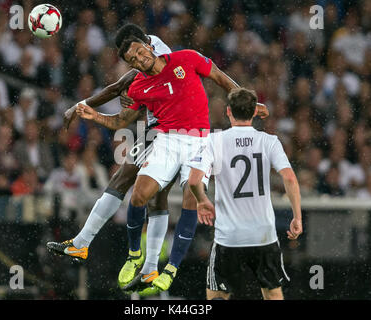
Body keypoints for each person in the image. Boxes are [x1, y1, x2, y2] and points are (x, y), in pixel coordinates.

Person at [99, 36, 268, 294]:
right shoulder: (140, 84)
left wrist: (248, 103)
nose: (138, 59)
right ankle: (135, 256)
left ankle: (171, 268)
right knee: (139, 195)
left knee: (191, 196)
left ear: (149, 46)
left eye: (139, 52)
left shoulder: (186, 58)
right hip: (167, 139)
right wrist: (91, 109)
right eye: (132, 59)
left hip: (199, 140)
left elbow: (221, 78)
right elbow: (124, 115)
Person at [46, 24, 182, 295]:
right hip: (163, 128)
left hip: (168, 130)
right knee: (154, 196)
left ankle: (95, 246)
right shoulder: (153, 51)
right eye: (130, 57)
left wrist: (81, 105)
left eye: (133, 54)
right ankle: (147, 267)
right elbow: (122, 89)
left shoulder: (155, 51)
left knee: (131, 184)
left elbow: (119, 86)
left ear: (142, 42)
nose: (134, 59)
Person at [187, 88, 302, 300]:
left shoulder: (214, 141)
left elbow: (194, 180)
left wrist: (202, 200)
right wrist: (297, 216)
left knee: (218, 294)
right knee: (273, 293)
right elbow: (290, 179)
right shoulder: (269, 141)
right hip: (264, 234)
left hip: (229, 237)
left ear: (228, 111)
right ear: (255, 112)